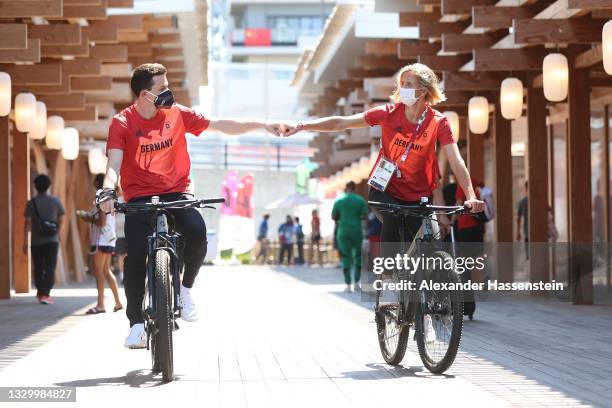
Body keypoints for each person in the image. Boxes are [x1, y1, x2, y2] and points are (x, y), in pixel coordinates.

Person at [283, 63, 484, 339]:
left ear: (425, 90)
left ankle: (423, 316)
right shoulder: (388, 114)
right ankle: (389, 283)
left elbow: (456, 160)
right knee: (391, 217)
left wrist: (471, 195)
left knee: (425, 248)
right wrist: (303, 125)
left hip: (418, 193)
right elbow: (343, 122)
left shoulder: (438, 122)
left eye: (410, 84)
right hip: (384, 189)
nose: (404, 89)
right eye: (402, 83)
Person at [98, 63, 287, 349]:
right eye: (162, 88)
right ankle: (136, 324)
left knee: (197, 233)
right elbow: (113, 164)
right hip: (139, 198)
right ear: (144, 94)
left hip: (176, 192)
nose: (168, 92)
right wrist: (108, 190)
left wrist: (262, 124)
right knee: (135, 259)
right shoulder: (122, 123)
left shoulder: (178, 114)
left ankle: (185, 290)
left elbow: (222, 125)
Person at [77, 174, 123, 315]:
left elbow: (101, 222)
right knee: (106, 271)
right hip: (109, 239)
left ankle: (100, 304)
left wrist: (88, 218)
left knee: (98, 272)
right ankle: (118, 302)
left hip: (100, 240)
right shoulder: (112, 197)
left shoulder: (101, 197)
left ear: (98, 183)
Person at [24, 174, 64, 304]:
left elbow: (27, 223)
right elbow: (61, 219)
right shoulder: (55, 201)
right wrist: (58, 233)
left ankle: (41, 292)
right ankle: (45, 294)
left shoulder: (31, 203)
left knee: (38, 267)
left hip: (36, 241)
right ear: (49, 186)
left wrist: (25, 241)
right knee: (50, 267)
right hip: (52, 241)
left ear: (35, 186)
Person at [331, 182, 368, 292]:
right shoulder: (360, 200)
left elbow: (333, 216)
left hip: (343, 231)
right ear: (354, 188)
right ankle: (357, 283)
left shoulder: (339, 200)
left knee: (345, 256)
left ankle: (348, 285)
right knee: (357, 256)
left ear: (346, 188)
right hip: (356, 231)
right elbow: (364, 216)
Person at [517, 180, 528, 258]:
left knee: (529, 254)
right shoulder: (522, 202)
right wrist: (518, 232)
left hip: (527, 232)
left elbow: (518, 218)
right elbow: (518, 218)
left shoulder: (522, 202)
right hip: (528, 232)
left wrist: (518, 232)